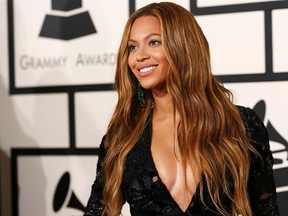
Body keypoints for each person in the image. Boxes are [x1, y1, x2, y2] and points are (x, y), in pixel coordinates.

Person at [84, 2, 279, 216]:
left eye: (154, 42)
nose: (139, 56)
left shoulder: (241, 125)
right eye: (132, 47)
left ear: (183, 46)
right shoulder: (123, 136)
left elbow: (266, 210)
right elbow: (98, 210)